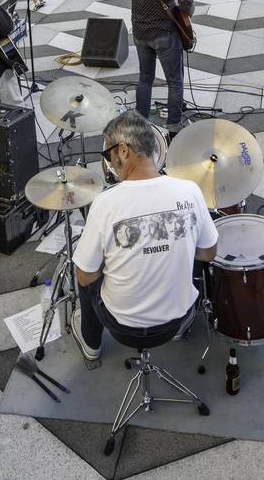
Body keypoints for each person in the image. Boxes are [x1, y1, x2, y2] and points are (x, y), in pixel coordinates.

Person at [71, 110, 218, 361]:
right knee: (191, 247)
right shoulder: (189, 191)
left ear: (124, 151)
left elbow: (85, 277)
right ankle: (180, 330)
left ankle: (91, 343)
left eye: (109, 154)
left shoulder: (105, 203)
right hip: (176, 318)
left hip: (122, 326)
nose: (109, 162)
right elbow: (209, 252)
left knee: (85, 271)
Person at [127, 0, 194, 134]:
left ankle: (140, 124)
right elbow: (186, 3)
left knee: (145, 78)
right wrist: (186, 12)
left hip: (139, 31)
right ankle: (174, 126)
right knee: (175, 81)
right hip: (164, 32)